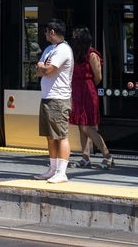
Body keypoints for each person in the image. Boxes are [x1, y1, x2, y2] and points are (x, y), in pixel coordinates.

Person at [34, 19, 74, 183]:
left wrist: (42, 67)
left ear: (52, 32)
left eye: (45, 32)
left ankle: (62, 172)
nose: (44, 35)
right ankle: (52, 169)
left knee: (61, 135)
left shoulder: (63, 50)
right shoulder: (50, 49)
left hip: (58, 98)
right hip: (47, 97)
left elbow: (48, 70)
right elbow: (38, 72)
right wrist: (41, 67)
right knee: (50, 136)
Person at [70, 28, 113, 169]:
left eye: (75, 37)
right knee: (81, 127)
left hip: (87, 91)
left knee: (87, 126)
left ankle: (107, 155)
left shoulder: (92, 54)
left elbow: (98, 77)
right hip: (77, 91)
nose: (73, 40)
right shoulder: (76, 54)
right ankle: (85, 157)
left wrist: (86, 86)